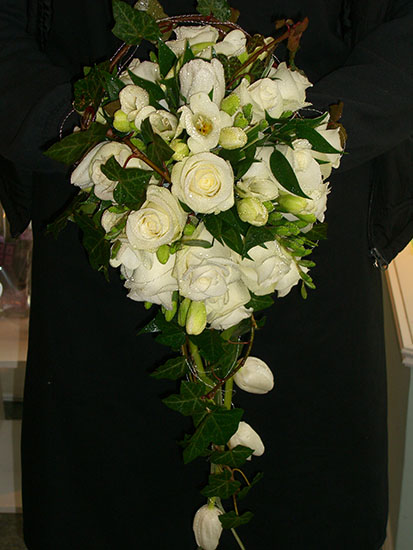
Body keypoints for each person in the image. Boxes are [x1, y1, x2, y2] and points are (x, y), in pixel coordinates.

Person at [0, 1, 412, 548]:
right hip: (103, 204)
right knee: (105, 491)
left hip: (303, 205)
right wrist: (67, 124)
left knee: (301, 494)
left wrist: (312, 134)